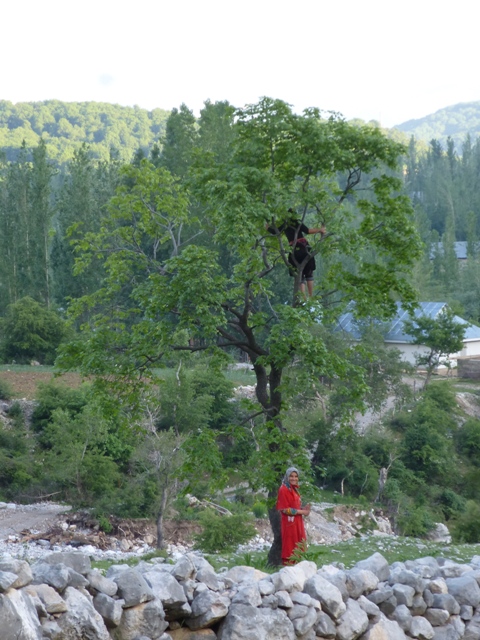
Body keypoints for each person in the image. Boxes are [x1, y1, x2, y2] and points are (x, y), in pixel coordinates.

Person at [268, 211, 326, 297]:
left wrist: (267, 227)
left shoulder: (285, 224)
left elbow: (274, 231)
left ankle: (304, 299)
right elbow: (308, 231)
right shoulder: (297, 223)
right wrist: (320, 230)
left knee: (300, 275)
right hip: (304, 248)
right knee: (309, 273)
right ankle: (311, 297)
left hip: (294, 251)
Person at [276, 466, 311, 565]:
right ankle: (289, 570)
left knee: (299, 546)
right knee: (290, 547)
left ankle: (298, 569)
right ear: (287, 476)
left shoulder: (294, 489)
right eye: (291, 476)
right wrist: (302, 512)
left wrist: (304, 509)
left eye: (296, 476)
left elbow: (295, 506)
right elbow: (285, 509)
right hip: (289, 523)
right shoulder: (284, 489)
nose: (294, 478)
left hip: (297, 522)